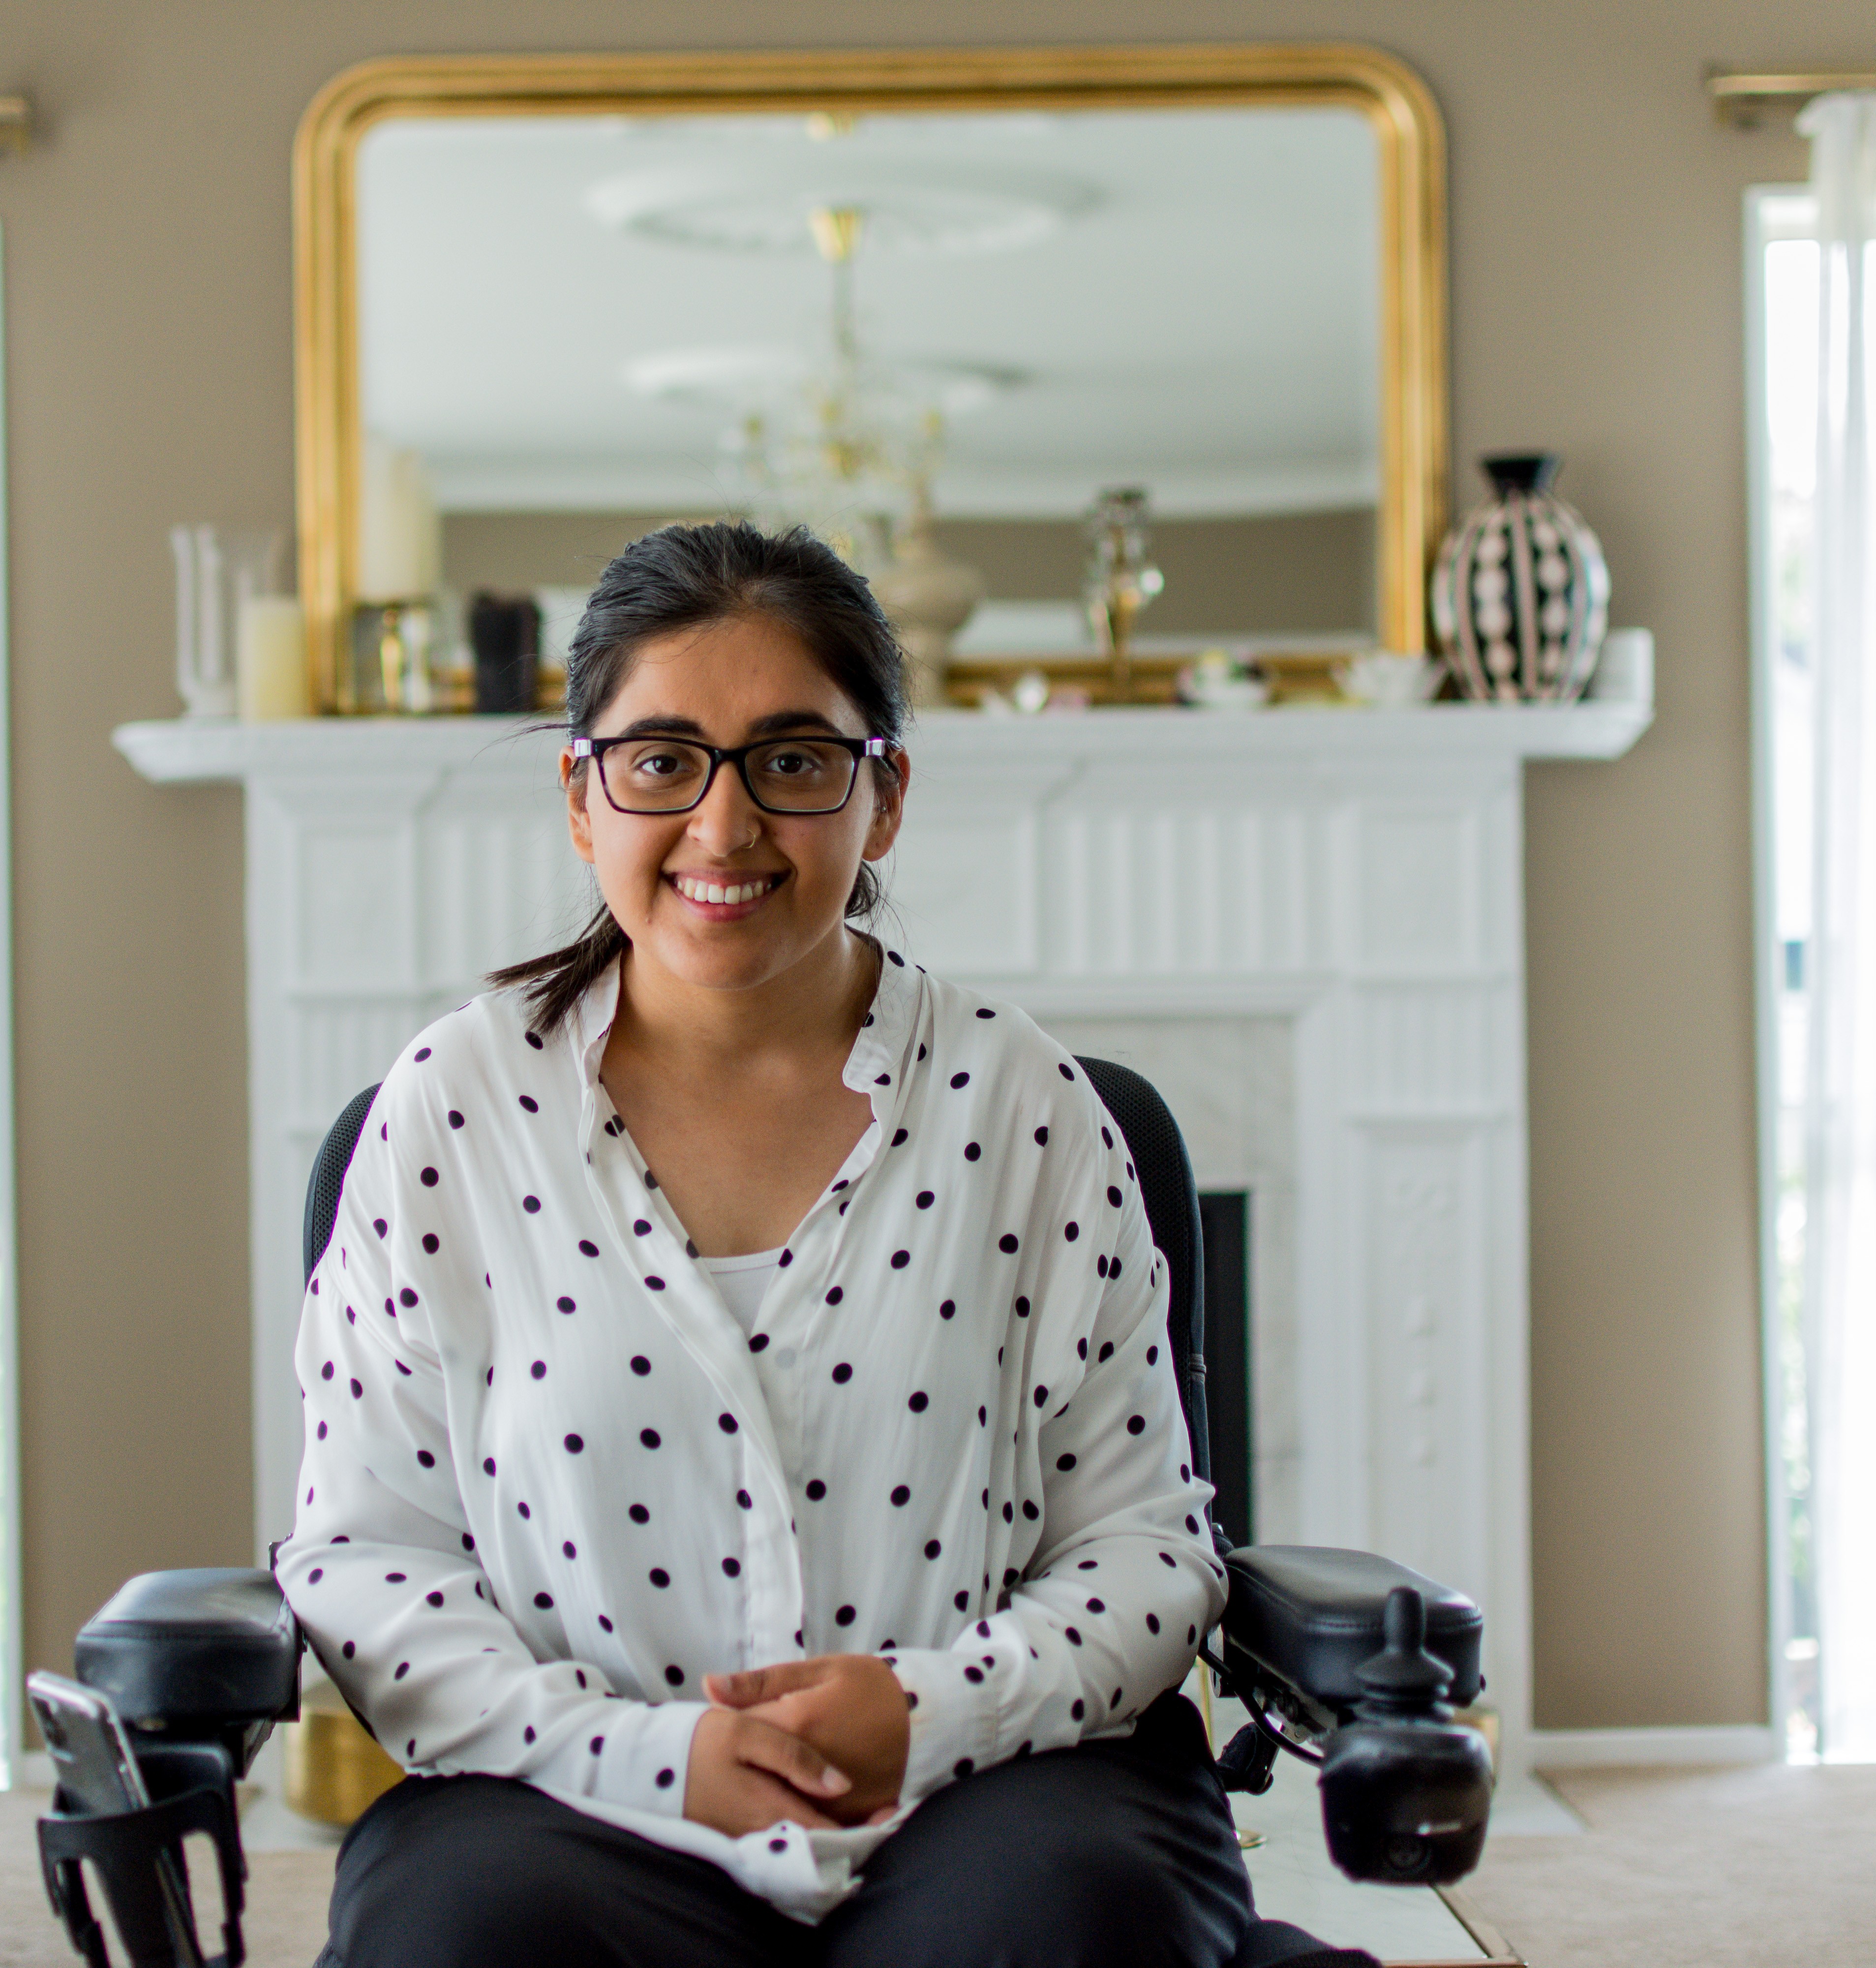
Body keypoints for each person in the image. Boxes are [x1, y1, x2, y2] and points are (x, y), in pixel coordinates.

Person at [277, 522, 1367, 1968]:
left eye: (793, 762)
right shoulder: (449, 1118)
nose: (724, 829)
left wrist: (930, 1712)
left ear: (885, 793)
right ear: (582, 794)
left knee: (1072, 1920)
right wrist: (652, 1759)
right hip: (567, 1804)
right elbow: (370, 1560)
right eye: (662, 760)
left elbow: (1145, 1549)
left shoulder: (1028, 1109)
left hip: (1007, 1786)